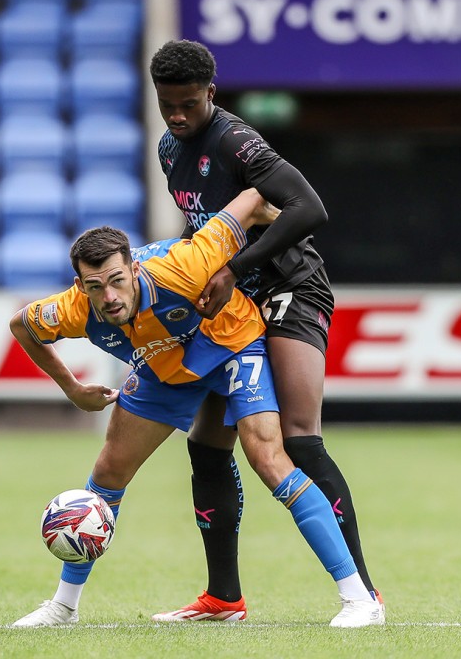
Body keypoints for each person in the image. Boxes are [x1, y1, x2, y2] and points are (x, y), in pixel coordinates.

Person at [9, 189, 382, 628]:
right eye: (95, 287)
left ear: (134, 269)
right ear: (80, 287)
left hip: (232, 343)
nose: (109, 296)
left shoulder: (185, 264)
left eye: (117, 280)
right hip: (163, 364)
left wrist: (279, 215)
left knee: (268, 457)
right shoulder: (73, 309)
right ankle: (63, 607)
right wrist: (72, 388)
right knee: (108, 472)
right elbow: (22, 325)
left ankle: (359, 598)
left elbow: (251, 198)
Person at [148, 40, 383, 623]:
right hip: (236, 305)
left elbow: (309, 208)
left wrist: (234, 268)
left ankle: (365, 596)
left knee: (299, 439)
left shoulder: (236, 141)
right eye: (166, 104)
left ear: (211, 93)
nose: (177, 115)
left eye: (188, 103)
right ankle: (223, 598)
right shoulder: (169, 148)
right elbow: (204, 226)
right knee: (206, 444)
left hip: (290, 287)